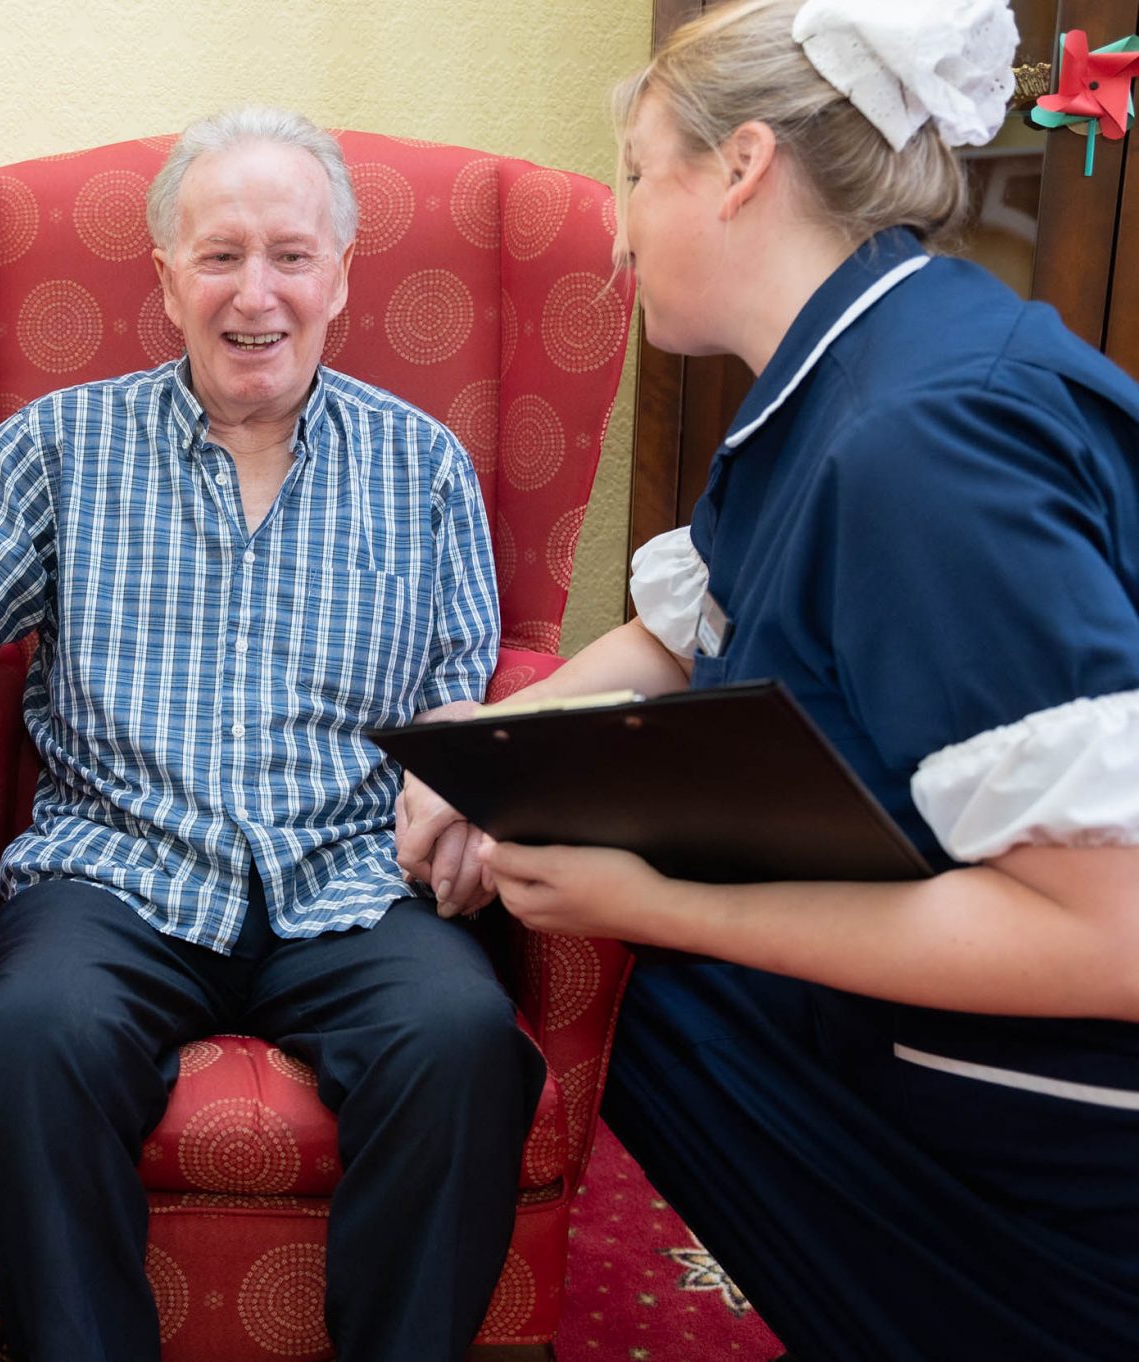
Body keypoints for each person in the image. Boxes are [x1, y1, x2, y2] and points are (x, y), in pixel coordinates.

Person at [397, 2, 1139, 1358]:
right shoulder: (854, 362)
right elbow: (683, 632)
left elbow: (1114, 937)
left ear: (740, 168)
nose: (614, 228)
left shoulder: (927, 448)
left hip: (1050, 1150)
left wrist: (655, 899)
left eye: (634, 170)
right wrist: (490, 738)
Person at [0, 106, 545, 1361]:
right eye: (218, 255)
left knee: (463, 1043)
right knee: (38, 1044)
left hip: (352, 871)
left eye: (290, 255)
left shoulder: (420, 466)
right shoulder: (57, 446)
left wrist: (473, 783)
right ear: (165, 277)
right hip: (118, 872)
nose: (253, 293)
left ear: (341, 278)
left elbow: (452, 703)